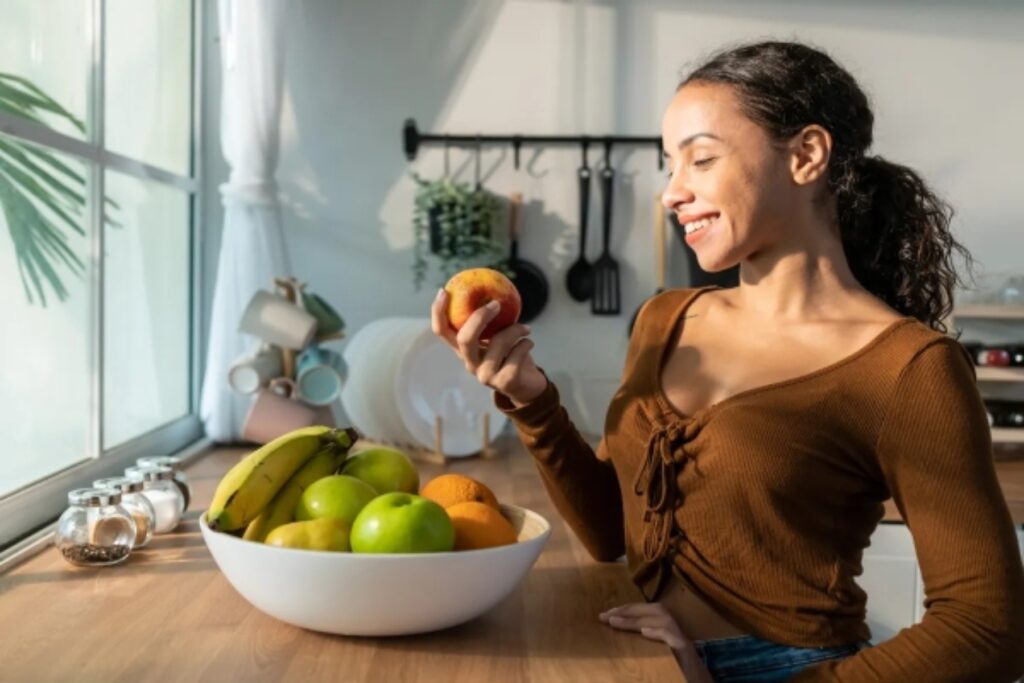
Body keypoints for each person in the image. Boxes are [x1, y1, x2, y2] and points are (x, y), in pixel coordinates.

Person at [430, 40, 1024, 682]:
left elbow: (988, 629)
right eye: (669, 166)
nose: (671, 193)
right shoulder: (666, 319)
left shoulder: (910, 368)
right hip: (645, 656)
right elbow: (611, 532)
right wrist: (530, 398)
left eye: (701, 160)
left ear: (806, 155)